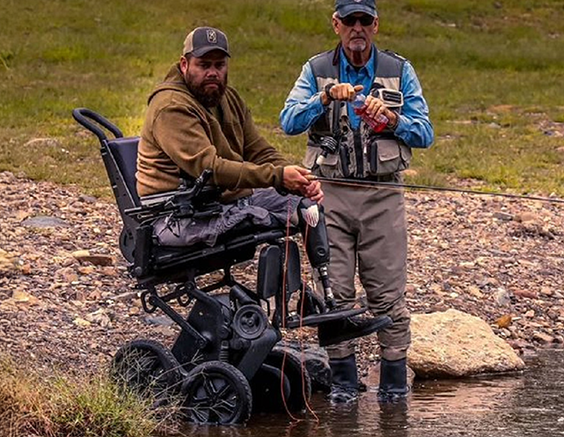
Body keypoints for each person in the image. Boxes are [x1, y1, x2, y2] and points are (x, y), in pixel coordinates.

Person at [137, 26, 388, 343]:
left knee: (305, 207)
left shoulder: (227, 98)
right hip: (175, 218)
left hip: (214, 203)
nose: (212, 72)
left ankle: (328, 309)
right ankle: (273, 312)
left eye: (219, 65)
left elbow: (259, 150)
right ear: (184, 65)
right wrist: (276, 178)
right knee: (264, 218)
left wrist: (294, 177)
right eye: (204, 65)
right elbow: (210, 169)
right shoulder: (171, 107)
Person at [280, 0, 434, 403]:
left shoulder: (399, 69)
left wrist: (394, 120)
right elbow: (288, 120)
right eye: (350, 21)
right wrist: (325, 97)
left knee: (388, 295)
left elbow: (426, 132)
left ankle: (394, 389)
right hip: (329, 195)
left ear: (376, 25)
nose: (357, 29)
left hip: (383, 197)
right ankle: (344, 388)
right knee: (335, 294)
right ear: (336, 25)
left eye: (365, 20)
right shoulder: (315, 70)